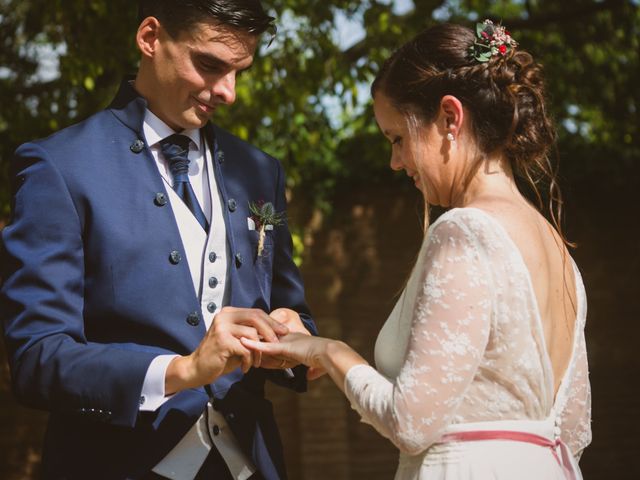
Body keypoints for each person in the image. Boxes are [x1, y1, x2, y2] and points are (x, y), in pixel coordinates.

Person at [241, 21, 592, 479]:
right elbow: (574, 429)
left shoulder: (465, 231)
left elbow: (409, 422)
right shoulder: (560, 253)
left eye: (398, 139)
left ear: (450, 117)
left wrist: (323, 350)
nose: (395, 162)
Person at [0, 1, 316, 479]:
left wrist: (294, 336)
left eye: (240, 72)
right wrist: (183, 371)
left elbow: (291, 307)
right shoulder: (59, 167)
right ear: (150, 38)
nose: (227, 92)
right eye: (210, 65)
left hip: (250, 464)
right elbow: (37, 358)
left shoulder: (260, 171)